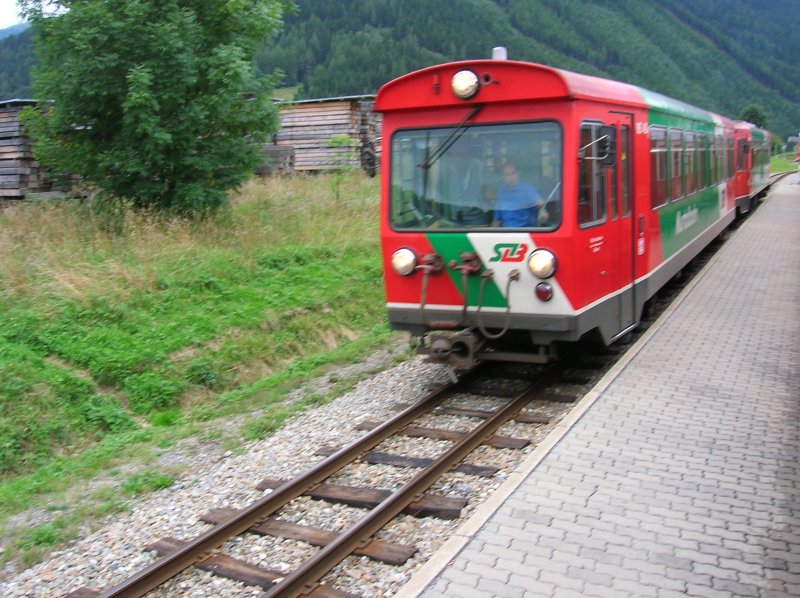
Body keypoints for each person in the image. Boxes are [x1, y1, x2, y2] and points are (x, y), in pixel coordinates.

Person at [493, 162, 543, 227]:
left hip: (524, 233)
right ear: (502, 177)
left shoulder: (527, 190)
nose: (511, 177)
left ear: (518, 173)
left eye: (513, 173)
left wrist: (542, 211)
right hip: (506, 233)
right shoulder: (501, 193)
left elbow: (540, 202)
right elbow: (497, 220)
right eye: (507, 175)